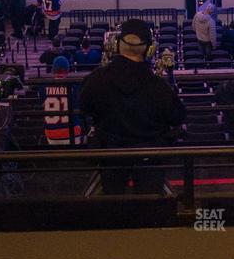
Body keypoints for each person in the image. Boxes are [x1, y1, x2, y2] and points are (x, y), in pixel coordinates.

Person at [79, 19, 186, 194]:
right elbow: (178, 116)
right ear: (149, 49)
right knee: (151, 206)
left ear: (116, 44)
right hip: (149, 157)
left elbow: (85, 107)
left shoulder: (96, 79)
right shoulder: (159, 86)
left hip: (110, 155)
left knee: (112, 202)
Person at [43, 56, 85, 146]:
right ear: (67, 69)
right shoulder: (75, 86)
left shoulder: (43, 86)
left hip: (51, 132)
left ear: (53, 69)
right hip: (73, 131)